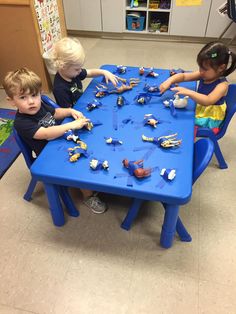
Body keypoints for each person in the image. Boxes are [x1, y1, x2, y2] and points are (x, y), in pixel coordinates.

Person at [3, 67, 107, 214]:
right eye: (22, 98)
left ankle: (95, 176)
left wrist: (70, 111)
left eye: (34, 95)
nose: (31, 102)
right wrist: (70, 125)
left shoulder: (39, 106)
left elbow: (56, 112)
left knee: (92, 140)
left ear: (40, 93)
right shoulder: (21, 122)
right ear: (11, 101)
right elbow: (45, 133)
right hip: (48, 155)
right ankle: (88, 195)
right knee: (78, 164)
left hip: (58, 142)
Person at [159, 41, 236, 135]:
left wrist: (189, 92)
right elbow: (184, 76)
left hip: (209, 120)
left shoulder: (222, 85)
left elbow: (208, 100)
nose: (201, 71)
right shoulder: (205, 74)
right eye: (200, 67)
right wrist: (169, 80)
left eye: (205, 69)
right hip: (200, 109)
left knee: (181, 125)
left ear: (221, 68)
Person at [51, 37, 118, 108]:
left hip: (81, 101)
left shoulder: (72, 72)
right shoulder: (60, 89)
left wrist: (104, 72)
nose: (80, 71)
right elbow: (67, 111)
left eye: (80, 67)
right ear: (63, 67)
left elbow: (90, 72)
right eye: (77, 69)